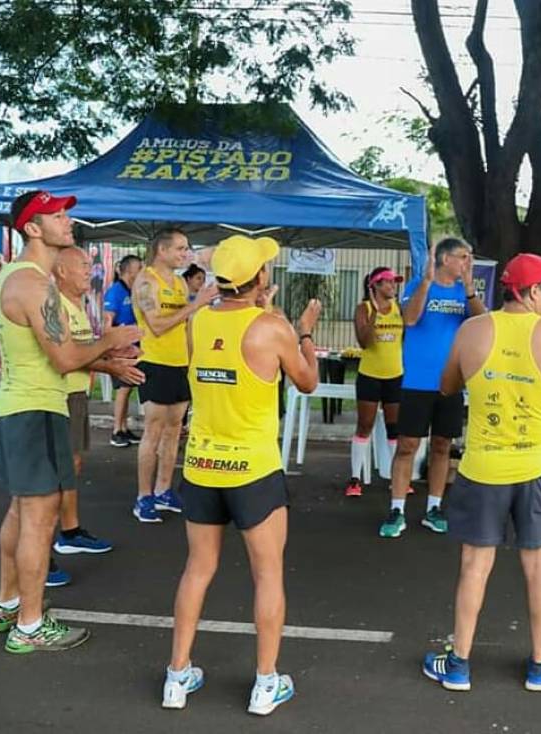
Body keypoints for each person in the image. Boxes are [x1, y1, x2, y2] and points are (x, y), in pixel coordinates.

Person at [163, 235, 321, 715]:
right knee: (267, 574)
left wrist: (261, 310)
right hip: (253, 469)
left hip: (202, 465)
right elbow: (307, 381)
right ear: (260, 278)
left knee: (197, 569)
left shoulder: (200, 321)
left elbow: (226, 349)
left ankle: (176, 676)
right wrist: (304, 333)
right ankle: (266, 682)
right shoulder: (272, 328)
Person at [0, 190, 140, 653]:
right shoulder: (33, 283)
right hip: (36, 410)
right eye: (55, 215)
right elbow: (65, 357)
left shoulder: (20, 277)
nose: (67, 220)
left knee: (21, 511)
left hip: (21, 406)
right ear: (33, 229)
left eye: (65, 213)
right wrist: (110, 339)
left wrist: (106, 362)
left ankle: (8, 604)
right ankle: (30, 626)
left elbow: (58, 355)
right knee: (38, 519)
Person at [421, 254, 541, 693]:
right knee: (540, 566)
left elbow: (447, 385)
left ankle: (458, 664)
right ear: (531, 292)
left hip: (484, 466)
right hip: (539, 468)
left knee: (475, 565)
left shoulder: (473, 330)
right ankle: (539, 664)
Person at [378, 238, 486, 539]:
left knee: (442, 446)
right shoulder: (418, 285)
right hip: (416, 381)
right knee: (407, 445)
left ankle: (434, 508)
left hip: (451, 383)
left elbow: (482, 322)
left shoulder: (464, 292)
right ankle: (397, 509)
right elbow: (410, 319)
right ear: (445, 259)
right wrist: (426, 283)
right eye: (463, 256)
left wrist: (469, 287)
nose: (468, 262)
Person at [51, 246, 143, 562]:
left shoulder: (79, 304)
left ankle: (70, 531)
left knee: (71, 467)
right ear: (62, 271)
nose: (90, 271)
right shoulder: (55, 305)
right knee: (54, 476)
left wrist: (111, 353)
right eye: (83, 265)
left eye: (90, 265)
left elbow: (82, 349)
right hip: (59, 396)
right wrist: (110, 363)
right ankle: (43, 550)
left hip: (76, 394)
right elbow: (65, 357)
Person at [131, 229, 219, 523]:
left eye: (186, 248)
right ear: (162, 250)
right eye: (180, 248)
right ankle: (143, 497)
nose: (185, 254)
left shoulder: (180, 283)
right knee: (153, 431)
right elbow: (156, 325)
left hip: (180, 365)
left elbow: (186, 325)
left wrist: (192, 362)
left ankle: (164, 490)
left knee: (174, 431)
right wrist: (196, 304)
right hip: (155, 363)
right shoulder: (146, 281)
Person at [346, 266, 404, 497]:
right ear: (375, 286)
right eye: (388, 282)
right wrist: (375, 314)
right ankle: (355, 479)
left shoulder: (400, 308)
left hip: (395, 376)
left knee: (394, 429)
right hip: (370, 376)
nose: (393, 286)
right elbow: (364, 342)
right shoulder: (364, 308)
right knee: (365, 426)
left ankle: (397, 478)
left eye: (394, 282)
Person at [104, 254, 144, 447]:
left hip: (134, 347)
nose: (142, 272)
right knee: (123, 389)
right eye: (139, 268)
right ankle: (116, 430)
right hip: (120, 349)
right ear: (129, 270)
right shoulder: (115, 292)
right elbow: (107, 325)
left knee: (128, 389)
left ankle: (124, 427)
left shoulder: (133, 291)